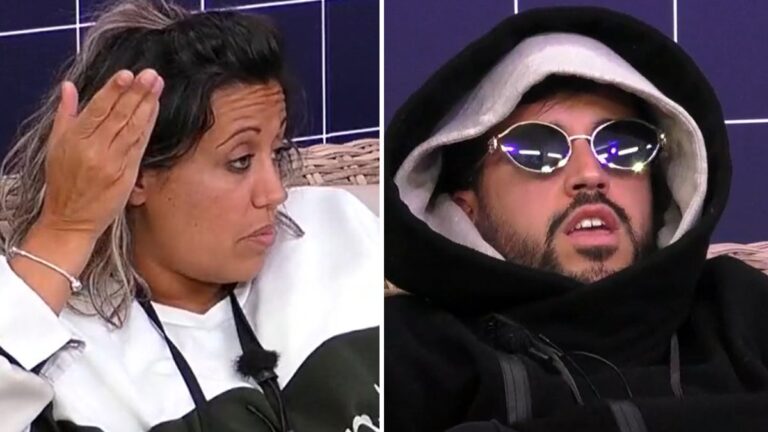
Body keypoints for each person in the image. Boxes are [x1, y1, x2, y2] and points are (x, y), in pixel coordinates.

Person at [385, 6, 768, 432]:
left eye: (621, 146)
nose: (590, 174)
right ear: (465, 209)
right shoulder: (407, 350)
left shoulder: (739, 311)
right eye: (538, 149)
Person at [0, 1, 379, 431]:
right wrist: (65, 230)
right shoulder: (56, 346)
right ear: (133, 174)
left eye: (276, 152)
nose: (275, 193)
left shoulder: (335, 226)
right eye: (240, 161)